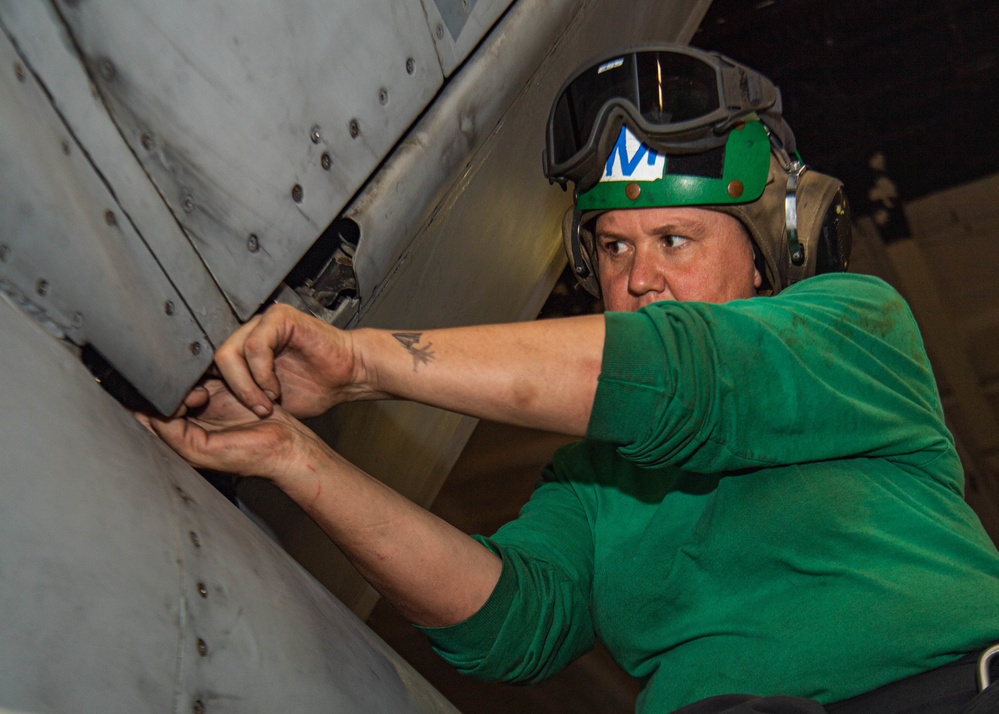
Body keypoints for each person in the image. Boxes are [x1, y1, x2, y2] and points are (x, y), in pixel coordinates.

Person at [144, 45, 999, 712]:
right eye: (615, 247)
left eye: (674, 240)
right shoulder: (593, 478)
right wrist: (297, 460)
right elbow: (509, 623)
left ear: (768, 255)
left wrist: (363, 362)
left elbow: (685, 376)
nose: (639, 276)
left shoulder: (855, 328)